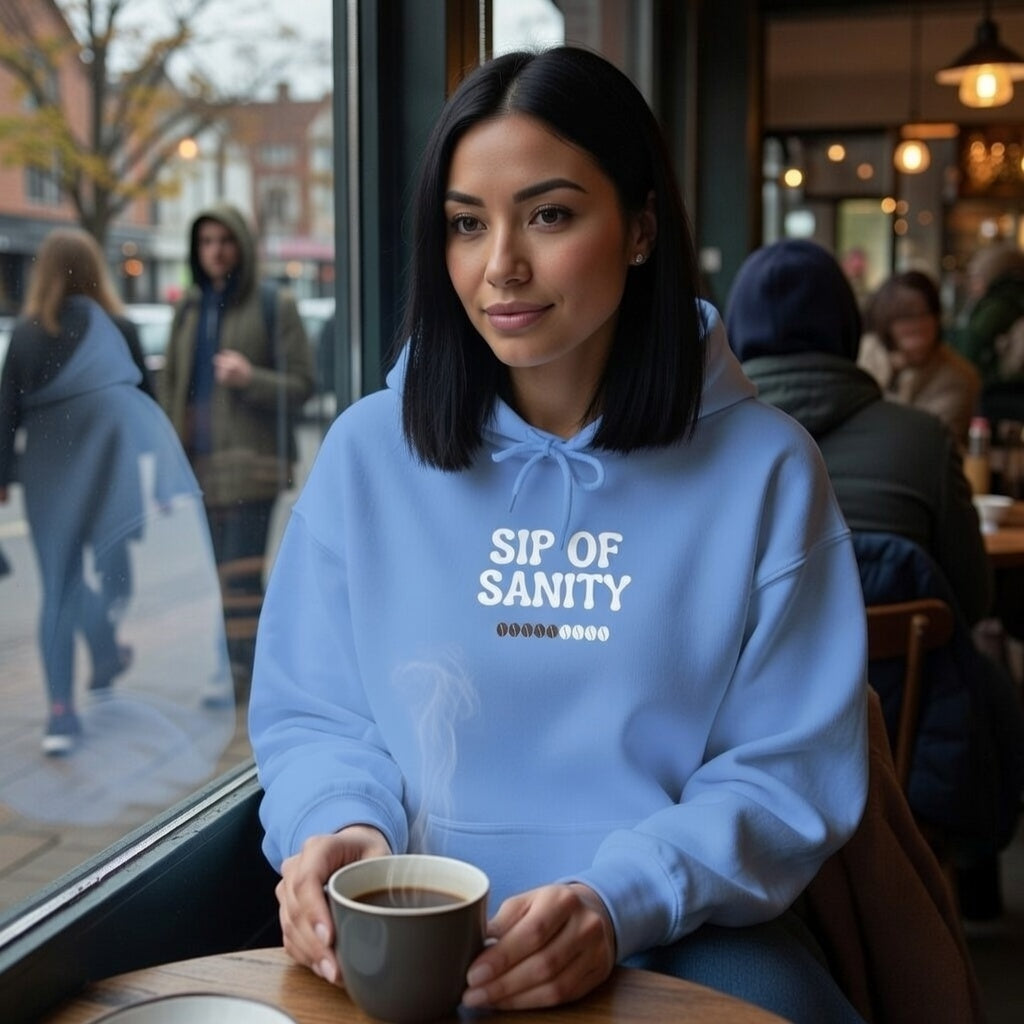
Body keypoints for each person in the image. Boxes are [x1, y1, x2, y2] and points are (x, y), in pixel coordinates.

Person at [249, 47, 869, 1023]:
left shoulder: (765, 469)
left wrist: (618, 900)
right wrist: (338, 826)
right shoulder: (369, 452)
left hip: (683, 928)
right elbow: (315, 715)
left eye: (548, 214)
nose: (500, 265)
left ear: (639, 228)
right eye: (466, 223)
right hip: (414, 927)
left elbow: (783, 773)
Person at [725, 239, 1024, 918]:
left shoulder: (692, 446)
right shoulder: (920, 437)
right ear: (852, 328)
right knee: (989, 677)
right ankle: (970, 884)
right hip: (902, 750)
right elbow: (969, 600)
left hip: (737, 756)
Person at [0, 228, 201, 754]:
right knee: (115, 582)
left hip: (47, 480)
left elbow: (5, 417)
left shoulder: (24, 336)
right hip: (111, 474)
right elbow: (146, 410)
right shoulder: (120, 329)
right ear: (95, 268)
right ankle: (106, 650)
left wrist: (2, 480)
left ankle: (60, 715)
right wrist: (160, 475)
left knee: (59, 589)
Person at [160, 202, 314, 681]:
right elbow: (172, 389)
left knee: (240, 575)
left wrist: (250, 378)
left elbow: (304, 385)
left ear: (241, 246)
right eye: (206, 242)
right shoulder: (188, 309)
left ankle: (241, 670)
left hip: (253, 465)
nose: (216, 251)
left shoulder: (274, 304)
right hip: (201, 466)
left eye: (225, 240)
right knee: (223, 575)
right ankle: (246, 664)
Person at [859, 270, 981, 445]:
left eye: (924, 313)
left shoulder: (958, 377)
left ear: (936, 318)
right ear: (886, 322)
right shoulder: (864, 354)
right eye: (904, 316)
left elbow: (926, 441)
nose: (916, 324)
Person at [954, 243, 1024, 386]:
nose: (971, 284)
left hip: (995, 390)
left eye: (976, 277)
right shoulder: (1010, 300)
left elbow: (969, 350)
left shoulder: (997, 306)